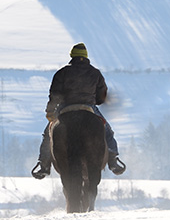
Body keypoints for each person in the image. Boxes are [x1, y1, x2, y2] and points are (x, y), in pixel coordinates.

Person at [32, 42, 126, 179]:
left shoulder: (62, 73)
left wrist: (51, 112)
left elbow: (54, 95)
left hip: (65, 107)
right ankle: (113, 160)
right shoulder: (95, 73)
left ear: (72, 56)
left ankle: (44, 164)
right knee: (107, 131)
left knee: (48, 134)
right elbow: (101, 98)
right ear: (86, 56)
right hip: (89, 107)